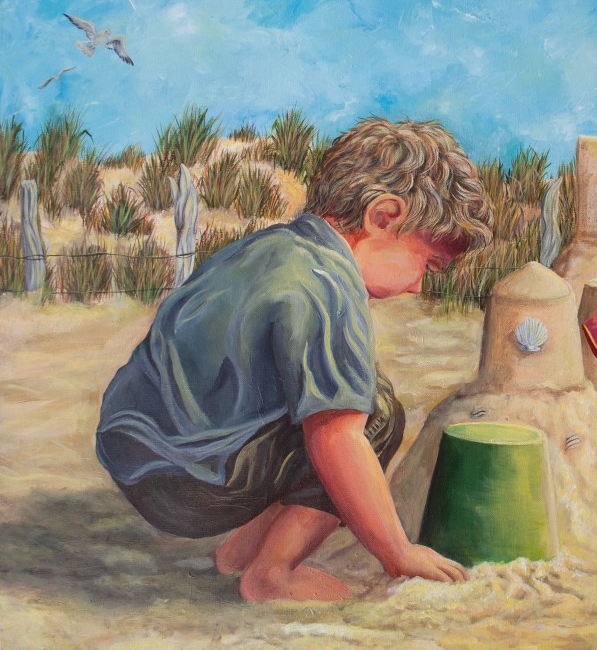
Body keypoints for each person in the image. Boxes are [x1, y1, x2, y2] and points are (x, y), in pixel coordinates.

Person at [95, 117, 493, 601]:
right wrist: (398, 553)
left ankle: (240, 552)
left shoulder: (267, 248)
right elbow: (336, 438)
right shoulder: (328, 283)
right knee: (375, 410)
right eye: (427, 264)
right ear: (384, 217)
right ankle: (273, 572)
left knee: (322, 398)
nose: (417, 286)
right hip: (192, 486)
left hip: (137, 456)